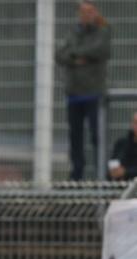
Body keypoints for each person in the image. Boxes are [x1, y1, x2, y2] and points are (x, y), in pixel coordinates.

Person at [55, 0, 111, 181]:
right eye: (83, 12)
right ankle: (76, 177)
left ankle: (101, 176)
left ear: (95, 12)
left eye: (89, 11)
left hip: (94, 93)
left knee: (97, 136)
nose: (86, 15)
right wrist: (78, 57)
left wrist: (74, 54)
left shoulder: (102, 31)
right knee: (75, 138)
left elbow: (100, 51)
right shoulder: (73, 32)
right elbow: (60, 54)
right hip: (74, 94)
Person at [108, 111, 137, 181]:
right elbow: (113, 161)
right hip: (120, 183)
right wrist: (113, 172)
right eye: (135, 122)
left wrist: (126, 172)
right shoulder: (121, 143)